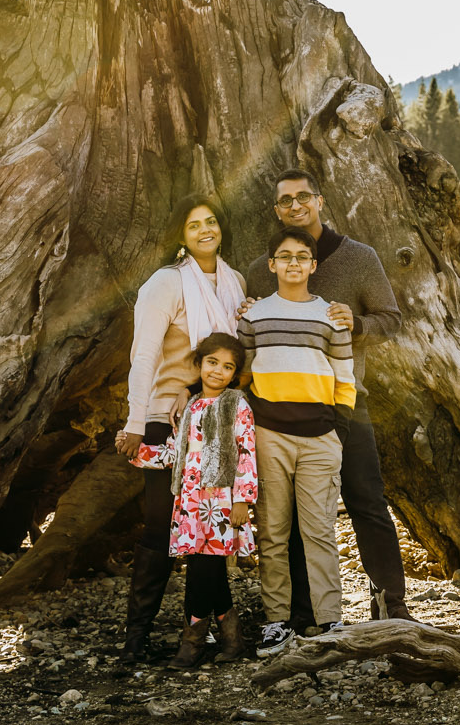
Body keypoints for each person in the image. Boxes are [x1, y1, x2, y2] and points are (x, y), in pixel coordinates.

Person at [244, 168, 413, 623]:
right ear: (277, 210)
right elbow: (250, 325)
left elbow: (391, 319)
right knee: (293, 516)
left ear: (319, 201)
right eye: (285, 201)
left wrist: (355, 324)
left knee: (367, 501)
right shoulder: (264, 268)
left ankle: (390, 604)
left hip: (346, 402)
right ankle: (302, 612)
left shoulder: (359, 258)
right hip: (281, 413)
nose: (295, 206)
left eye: (303, 197)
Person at [113, 193, 246, 666]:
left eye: (211, 221)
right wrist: (133, 422)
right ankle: (137, 638)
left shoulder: (235, 283)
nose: (205, 230)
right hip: (163, 421)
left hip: (214, 423)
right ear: (181, 235)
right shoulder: (165, 284)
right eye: (194, 225)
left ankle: (212, 634)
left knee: (207, 528)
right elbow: (144, 356)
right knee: (158, 529)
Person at [238, 227, 357, 657]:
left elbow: (345, 379)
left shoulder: (332, 317)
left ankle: (330, 619)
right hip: (270, 435)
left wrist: (336, 432)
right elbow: (246, 373)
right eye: (283, 256)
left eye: (301, 257)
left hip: (320, 438)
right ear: (271, 266)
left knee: (320, 530)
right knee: (272, 530)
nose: (292, 263)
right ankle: (276, 622)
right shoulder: (253, 317)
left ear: (313, 265)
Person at [131, 333, 258, 666]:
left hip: (220, 502)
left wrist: (244, 500)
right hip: (189, 502)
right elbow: (176, 453)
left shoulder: (236, 404)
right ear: (199, 364)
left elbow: (246, 453)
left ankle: (193, 644)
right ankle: (232, 641)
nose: (218, 371)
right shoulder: (189, 406)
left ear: (235, 374)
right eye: (212, 362)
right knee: (206, 567)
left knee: (203, 569)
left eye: (227, 367)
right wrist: (137, 452)